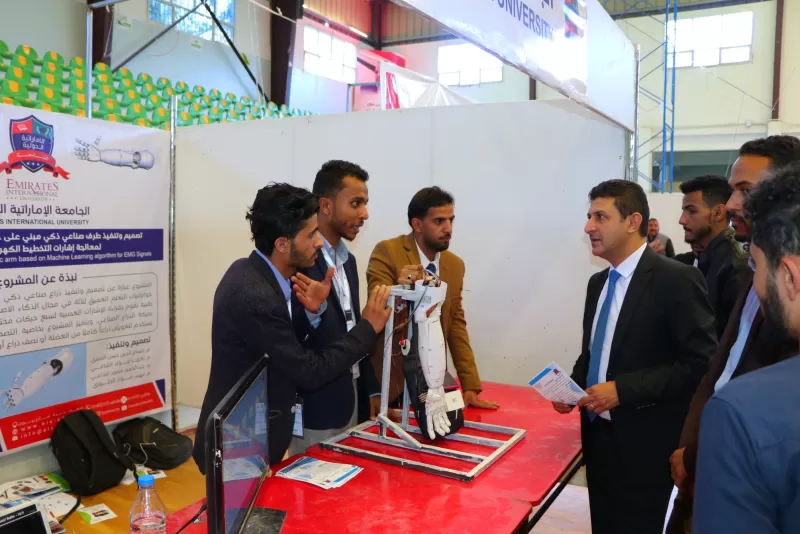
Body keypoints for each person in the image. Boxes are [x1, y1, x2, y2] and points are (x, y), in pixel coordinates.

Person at [193, 183, 392, 470]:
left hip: (252, 437)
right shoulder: (255, 296)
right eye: (311, 235)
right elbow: (308, 371)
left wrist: (312, 314)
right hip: (239, 445)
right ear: (283, 244)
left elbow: (277, 349)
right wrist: (367, 328)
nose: (319, 243)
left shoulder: (255, 274)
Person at [554, 180, 716, 534]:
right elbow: (596, 350)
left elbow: (700, 364)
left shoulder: (677, 280)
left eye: (600, 217)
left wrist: (623, 390)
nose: (588, 227)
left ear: (632, 221)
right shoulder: (598, 283)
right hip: (599, 441)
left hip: (646, 446)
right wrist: (570, 386)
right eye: (588, 216)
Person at [666, 135, 800, 533]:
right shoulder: (753, 272)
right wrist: (691, 449)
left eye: (746, 190)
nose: (734, 204)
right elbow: (718, 368)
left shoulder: (774, 294)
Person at [367, 187, 498, 410]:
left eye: (451, 220)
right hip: (392, 384)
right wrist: (402, 288)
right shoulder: (387, 251)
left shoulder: (455, 265)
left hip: (434, 384)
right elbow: (376, 307)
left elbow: (456, 325)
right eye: (439, 221)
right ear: (417, 224)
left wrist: (470, 386)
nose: (448, 229)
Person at [287, 161, 381, 456]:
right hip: (316, 407)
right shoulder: (300, 260)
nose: (364, 214)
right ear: (325, 206)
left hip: (350, 400)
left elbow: (353, 328)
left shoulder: (348, 262)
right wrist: (312, 313)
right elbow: (292, 340)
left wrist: (371, 388)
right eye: (356, 203)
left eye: (365, 204)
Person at [678, 175, 748, 338]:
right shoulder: (707, 258)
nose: (682, 220)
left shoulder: (733, 264)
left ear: (718, 213)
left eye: (692, 211)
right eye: (684, 211)